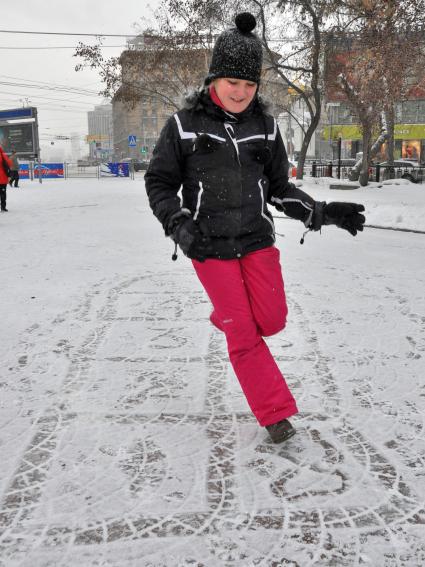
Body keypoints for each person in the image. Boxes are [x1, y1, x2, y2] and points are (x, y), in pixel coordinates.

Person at [145, 13, 365, 443]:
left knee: (273, 318)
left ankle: (228, 317)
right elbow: (160, 182)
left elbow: (280, 189)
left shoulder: (266, 127)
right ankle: (274, 413)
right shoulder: (183, 125)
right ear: (214, 78)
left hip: (257, 240)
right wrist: (178, 223)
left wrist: (322, 212)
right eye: (233, 83)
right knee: (244, 334)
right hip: (207, 245)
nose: (241, 92)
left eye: (249, 85)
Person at [0, 145, 12, 212]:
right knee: (3, 193)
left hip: (2, 177)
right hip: (3, 178)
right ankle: (3, 207)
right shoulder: (3, 156)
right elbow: (9, 165)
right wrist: (9, 176)